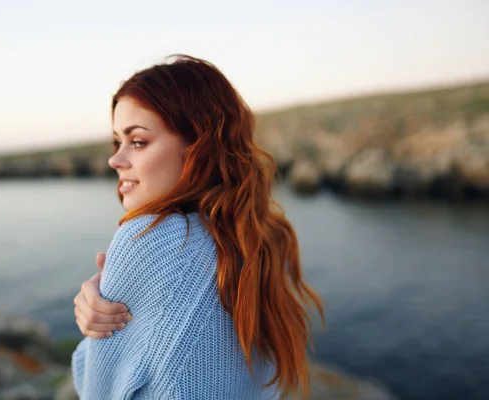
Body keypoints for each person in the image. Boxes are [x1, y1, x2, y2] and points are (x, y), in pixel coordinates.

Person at [71, 54, 324, 400]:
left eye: (138, 141)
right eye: (118, 142)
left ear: (198, 147)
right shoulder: (261, 240)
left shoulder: (148, 241)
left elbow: (96, 392)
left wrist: (91, 332)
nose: (115, 160)